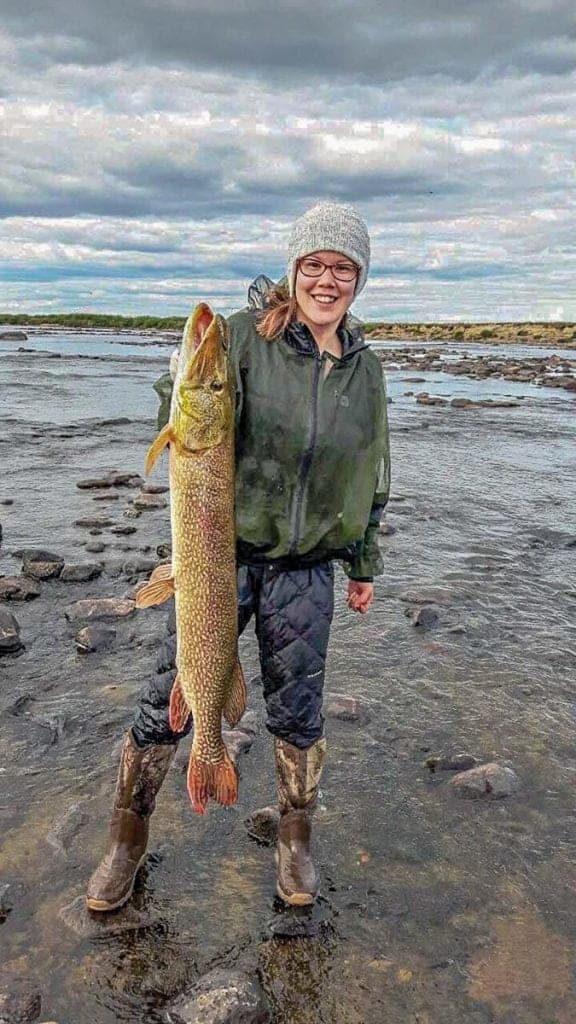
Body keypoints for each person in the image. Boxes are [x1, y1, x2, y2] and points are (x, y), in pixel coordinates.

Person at [86, 201, 390, 913]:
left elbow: (371, 468)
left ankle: (295, 840)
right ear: (294, 270)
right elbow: (186, 402)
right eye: (313, 264)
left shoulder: (364, 372)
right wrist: (183, 377)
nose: (326, 279)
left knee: (300, 713)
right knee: (166, 700)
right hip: (218, 560)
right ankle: (127, 838)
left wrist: (364, 561)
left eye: (342, 268)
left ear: (359, 279)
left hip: (307, 567)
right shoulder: (244, 340)